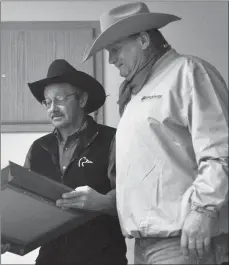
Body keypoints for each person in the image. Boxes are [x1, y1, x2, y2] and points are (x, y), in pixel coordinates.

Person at [83, 2, 229, 265]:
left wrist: (203, 210)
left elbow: (221, 149)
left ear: (142, 40)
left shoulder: (188, 72)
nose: (111, 59)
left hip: (186, 239)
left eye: (115, 49)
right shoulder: (136, 94)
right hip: (146, 244)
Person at [1, 59, 127, 264]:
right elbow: (26, 205)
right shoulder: (38, 148)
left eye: (60, 99)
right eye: (47, 102)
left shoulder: (113, 140)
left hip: (102, 258)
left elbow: (134, 201)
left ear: (83, 99)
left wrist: (103, 203)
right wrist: (8, 234)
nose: (53, 108)